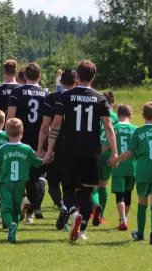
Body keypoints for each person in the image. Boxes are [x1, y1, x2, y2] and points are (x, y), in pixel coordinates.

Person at [45, 60, 118, 242]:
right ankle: (83, 230)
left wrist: (50, 149)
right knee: (86, 192)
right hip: (91, 151)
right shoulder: (101, 98)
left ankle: (73, 212)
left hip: (70, 149)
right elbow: (108, 127)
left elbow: (55, 125)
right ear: (93, 76)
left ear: (77, 76)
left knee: (68, 188)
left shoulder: (65, 96)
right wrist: (115, 153)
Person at [111, 102, 152, 245]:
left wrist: (116, 160)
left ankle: (140, 233)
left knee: (142, 203)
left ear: (143, 115)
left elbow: (128, 153)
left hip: (142, 172)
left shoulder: (138, 132)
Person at [0, 118, 51, 243]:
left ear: (6, 132)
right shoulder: (26, 149)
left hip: (6, 184)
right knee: (16, 209)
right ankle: (13, 232)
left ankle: (10, 225)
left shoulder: (3, 149)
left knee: (5, 209)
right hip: (21, 184)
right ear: (22, 132)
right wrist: (46, 159)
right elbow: (37, 163)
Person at [7, 62, 52, 223]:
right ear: (40, 76)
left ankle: (23, 200)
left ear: (24, 76)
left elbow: (11, 118)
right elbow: (50, 122)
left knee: (18, 175)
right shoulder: (47, 95)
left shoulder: (16, 92)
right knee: (35, 177)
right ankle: (31, 213)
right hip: (40, 139)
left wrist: (10, 137)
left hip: (21, 139)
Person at [37, 69, 77, 231]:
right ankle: (71, 210)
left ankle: (62, 207)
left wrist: (41, 147)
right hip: (75, 145)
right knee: (71, 183)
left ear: (60, 82)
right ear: (76, 81)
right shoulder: (79, 97)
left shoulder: (53, 97)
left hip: (55, 144)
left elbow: (46, 126)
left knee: (53, 181)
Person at [106, 104, 137, 231]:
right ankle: (124, 219)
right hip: (132, 165)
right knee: (128, 193)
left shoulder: (114, 128)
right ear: (131, 115)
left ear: (118, 115)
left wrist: (110, 157)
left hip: (118, 165)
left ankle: (122, 219)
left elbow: (107, 145)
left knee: (120, 194)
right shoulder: (136, 129)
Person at [92, 91, 119, 225]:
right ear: (112, 103)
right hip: (108, 154)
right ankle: (100, 216)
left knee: (93, 186)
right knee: (104, 185)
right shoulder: (114, 117)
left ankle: (94, 209)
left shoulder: (95, 114)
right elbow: (115, 134)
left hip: (94, 152)